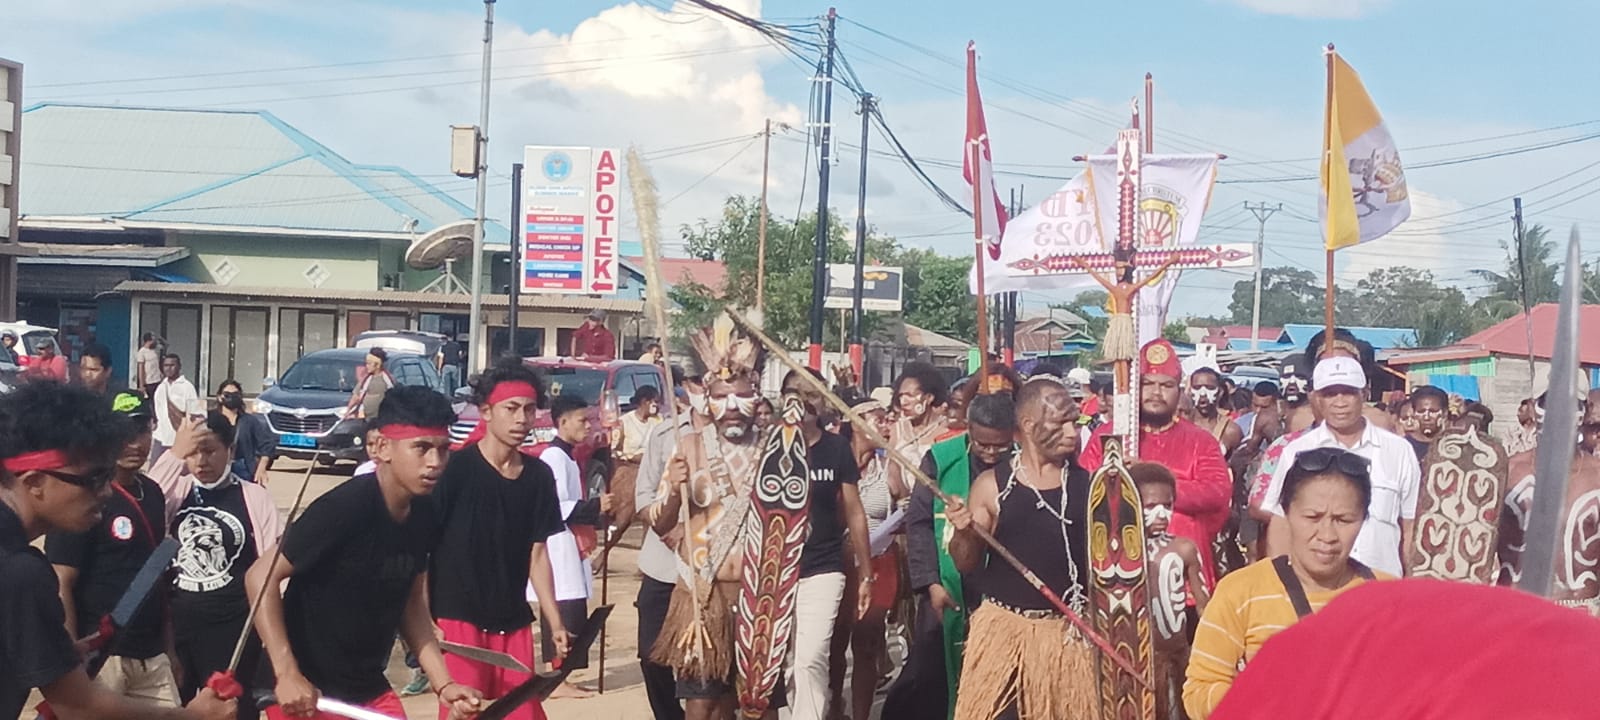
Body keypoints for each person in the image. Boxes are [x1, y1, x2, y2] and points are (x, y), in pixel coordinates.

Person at [242, 386, 483, 719]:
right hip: (308, 694)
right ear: (383, 447)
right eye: (422, 448)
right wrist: (285, 673)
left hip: (368, 686)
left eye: (443, 450)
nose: (435, 462)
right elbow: (259, 578)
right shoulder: (344, 508)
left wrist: (444, 685)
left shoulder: (425, 513)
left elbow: (411, 604)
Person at [0, 382, 236, 720]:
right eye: (94, 478)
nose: (106, 492)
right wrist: (192, 716)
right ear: (35, 482)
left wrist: (61, 651)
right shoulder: (19, 572)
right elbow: (78, 708)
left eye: (108, 475)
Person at [1184, 447, 1389, 718]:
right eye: (1312, 518)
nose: (1326, 535)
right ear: (1287, 512)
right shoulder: (1241, 592)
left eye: (1343, 520)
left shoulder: (1387, 598)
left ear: (1363, 519)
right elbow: (1199, 689)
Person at [429, 360, 575, 719]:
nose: (521, 419)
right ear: (486, 412)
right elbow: (421, 548)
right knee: (466, 711)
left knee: (524, 713)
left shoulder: (539, 476)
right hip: (457, 619)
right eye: (511, 409)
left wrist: (554, 620)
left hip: (513, 620)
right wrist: (424, 619)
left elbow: (538, 555)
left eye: (528, 409)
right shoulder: (453, 471)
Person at [945, 378, 1094, 720]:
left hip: (1068, 637)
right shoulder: (991, 486)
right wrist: (964, 530)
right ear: (1028, 425)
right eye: (1062, 423)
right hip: (1005, 634)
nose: (1073, 433)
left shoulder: (1091, 487)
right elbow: (966, 563)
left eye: (1076, 423)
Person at [644, 355, 781, 720]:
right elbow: (660, 523)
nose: (732, 408)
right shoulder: (687, 446)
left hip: (761, 599)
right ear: (707, 399)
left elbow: (800, 524)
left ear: (756, 396)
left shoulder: (776, 450)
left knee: (759, 704)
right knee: (702, 704)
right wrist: (674, 488)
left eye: (741, 396)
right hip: (702, 598)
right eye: (721, 397)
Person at [883, 393, 1015, 720]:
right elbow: (919, 522)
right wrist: (930, 583)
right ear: (969, 430)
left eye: (1000, 446)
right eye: (984, 444)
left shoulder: (1022, 464)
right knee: (929, 677)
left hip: (1001, 592)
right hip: (946, 586)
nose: (991, 453)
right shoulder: (942, 459)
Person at [45, 392, 177, 706]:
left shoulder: (155, 494)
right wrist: (72, 658)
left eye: (142, 430)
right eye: (122, 432)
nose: (134, 442)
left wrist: (170, 650)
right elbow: (61, 581)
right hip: (104, 658)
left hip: (153, 656)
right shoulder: (81, 496)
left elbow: (156, 579)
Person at [149, 412, 283, 718]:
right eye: (193, 452)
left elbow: (272, 570)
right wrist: (173, 457)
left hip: (233, 632)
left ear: (230, 451)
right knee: (173, 709)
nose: (201, 461)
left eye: (209, 451)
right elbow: (145, 499)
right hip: (177, 628)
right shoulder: (175, 494)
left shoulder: (255, 498)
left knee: (233, 711)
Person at [1081, 339, 1233, 589]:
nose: (1155, 393)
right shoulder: (1109, 436)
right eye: (1147, 384)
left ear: (1179, 390)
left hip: (1183, 576)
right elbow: (1084, 488)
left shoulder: (1201, 441)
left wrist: (1150, 478)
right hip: (1118, 569)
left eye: (1166, 385)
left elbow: (1217, 494)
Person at [1260, 356, 1420, 578]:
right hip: (1315, 589)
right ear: (1317, 399)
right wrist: (1284, 587)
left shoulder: (1398, 450)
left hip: (1382, 586)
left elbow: (1410, 526)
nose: (1340, 402)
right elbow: (1280, 522)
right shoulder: (1297, 451)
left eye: (1348, 392)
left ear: (1364, 394)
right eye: (1330, 394)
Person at [780, 368, 872, 720]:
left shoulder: (836, 449)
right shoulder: (766, 445)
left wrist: (866, 575)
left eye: (812, 395)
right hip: (772, 572)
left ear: (824, 403)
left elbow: (854, 511)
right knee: (782, 661)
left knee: (811, 658)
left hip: (823, 567)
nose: (803, 402)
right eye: (795, 393)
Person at [532, 395, 610, 698]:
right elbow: (555, 505)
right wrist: (595, 505)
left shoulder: (567, 457)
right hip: (558, 543)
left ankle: (563, 674)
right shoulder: (553, 458)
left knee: (574, 608)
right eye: (582, 420)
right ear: (562, 422)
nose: (588, 426)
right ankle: (556, 678)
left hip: (570, 540)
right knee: (565, 609)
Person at [828, 398, 902, 720]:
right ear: (856, 422)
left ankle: (861, 715)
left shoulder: (888, 466)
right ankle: (833, 708)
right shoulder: (833, 462)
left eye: (887, 419)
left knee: (868, 643)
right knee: (834, 644)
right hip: (837, 564)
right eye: (878, 419)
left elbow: (902, 500)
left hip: (880, 561)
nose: (885, 425)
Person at [633, 372, 697, 720]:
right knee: (650, 654)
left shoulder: (745, 440)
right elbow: (644, 497)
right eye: (698, 383)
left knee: (701, 666)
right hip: (663, 566)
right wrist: (665, 529)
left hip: (711, 571)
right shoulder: (664, 434)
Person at [1131, 462, 1210, 720]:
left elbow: (1203, 604)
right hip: (1135, 663)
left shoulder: (1184, 548)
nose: (1161, 515)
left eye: (1167, 506)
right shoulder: (1120, 556)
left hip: (1177, 656)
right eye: (1150, 507)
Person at [887, 362, 949, 506]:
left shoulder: (946, 431)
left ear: (928, 398)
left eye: (910, 395)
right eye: (901, 396)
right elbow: (891, 471)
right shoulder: (897, 430)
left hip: (935, 505)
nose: (904, 402)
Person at [610, 384, 663, 534]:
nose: (657, 406)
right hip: (628, 471)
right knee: (627, 508)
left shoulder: (658, 422)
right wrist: (632, 457)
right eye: (655, 402)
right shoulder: (624, 422)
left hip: (651, 470)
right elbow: (613, 451)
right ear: (645, 402)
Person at [216, 380, 275, 486]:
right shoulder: (211, 419)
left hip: (244, 470)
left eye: (235, 394)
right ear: (219, 397)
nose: (231, 397)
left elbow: (267, 445)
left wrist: (261, 468)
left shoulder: (249, 421)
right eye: (227, 394)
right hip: (217, 468)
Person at [152, 354, 202, 462]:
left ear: (179, 366)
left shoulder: (187, 387)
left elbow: (195, 413)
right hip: (160, 437)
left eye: (172, 365)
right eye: (165, 365)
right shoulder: (161, 387)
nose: (168, 368)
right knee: (154, 473)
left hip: (178, 439)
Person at [1186, 367, 1244, 457]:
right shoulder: (1179, 423)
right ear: (1190, 391)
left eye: (1209, 388)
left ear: (1220, 392)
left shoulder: (1230, 431)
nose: (1202, 394)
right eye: (1197, 388)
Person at [346, 348, 393, 420]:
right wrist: (348, 410)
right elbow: (356, 396)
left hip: (384, 418)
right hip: (366, 418)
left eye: (369, 364)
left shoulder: (389, 380)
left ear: (377, 364)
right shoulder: (365, 380)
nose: (367, 366)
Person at [1404, 386, 1448, 461]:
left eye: (1433, 411)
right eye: (1421, 411)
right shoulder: (1404, 445)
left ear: (1445, 413)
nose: (1426, 417)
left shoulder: (1453, 443)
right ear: (1414, 413)